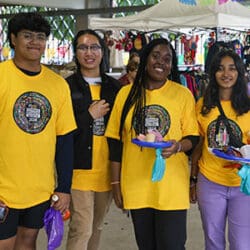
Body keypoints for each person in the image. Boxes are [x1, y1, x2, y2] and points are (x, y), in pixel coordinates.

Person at [105, 38, 199, 250]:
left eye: (167, 59)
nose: (161, 62)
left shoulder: (182, 94)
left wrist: (177, 146)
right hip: (137, 184)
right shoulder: (125, 95)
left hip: (171, 186)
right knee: (146, 245)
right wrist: (115, 183)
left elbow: (193, 138)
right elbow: (115, 143)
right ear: (145, 59)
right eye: (155, 56)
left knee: (172, 245)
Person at [0, 12, 76, 249]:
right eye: (27, 36)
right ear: (13, 39)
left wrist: (63, 188)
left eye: (40, 37)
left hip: (39, 188)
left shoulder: (57, 85)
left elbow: (64, 139)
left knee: (28, 241)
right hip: (3, 188)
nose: (34, 42)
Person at [65, 29, 120, 250]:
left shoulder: (114, 88)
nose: (89, 52)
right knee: (82, 228)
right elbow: (62, 131)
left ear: (102, 51)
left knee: (96, 227)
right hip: (79, 171)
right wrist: (88, 116)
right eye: (83, 47)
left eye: (94, 47)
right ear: (76, 53)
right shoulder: (67, 87)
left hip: (105, 171)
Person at [190, 49, 250, 250]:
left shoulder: (248, 106)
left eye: (232, 69)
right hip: (210, 181)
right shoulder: (202, 106)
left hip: (243, 184)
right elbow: (198, 145)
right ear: (213, 73)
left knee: (241, 244)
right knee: (213, 241)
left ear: (239, 73)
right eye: (220, 69)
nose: (226, 74)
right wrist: (193, 180)